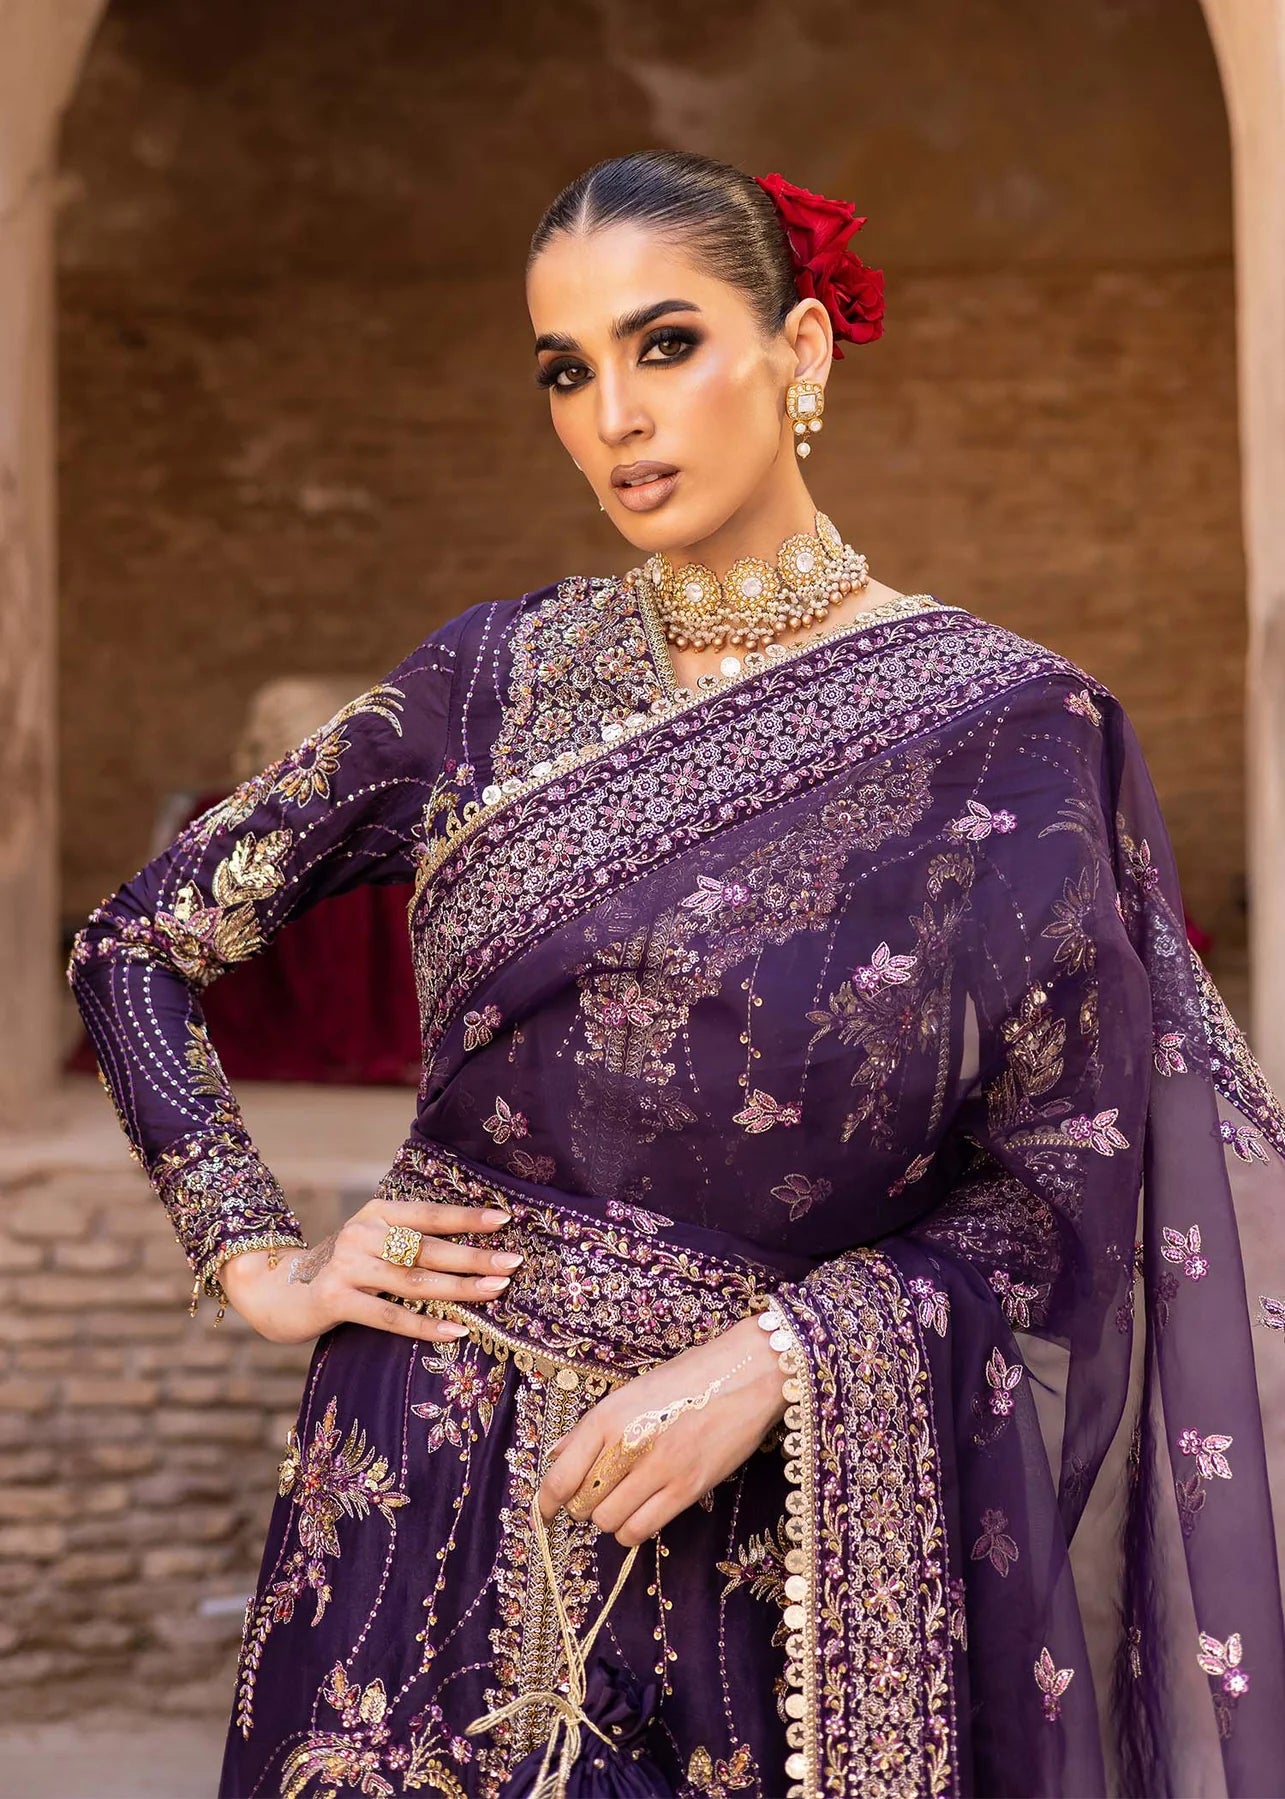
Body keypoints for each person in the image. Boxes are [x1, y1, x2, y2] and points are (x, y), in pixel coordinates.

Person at [67, 149, 1285, 1799]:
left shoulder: (1007, 728)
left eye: (664, 344)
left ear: (799, 349)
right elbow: (138, 943)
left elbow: (1070, 1172)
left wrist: (780, 1356)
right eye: (566, 371)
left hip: (773, 1541)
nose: (615, 418)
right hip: (421, 1483)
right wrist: (255, 1256)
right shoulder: (486, 682)